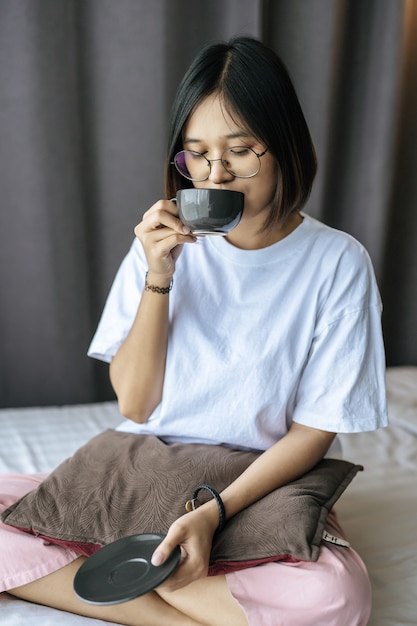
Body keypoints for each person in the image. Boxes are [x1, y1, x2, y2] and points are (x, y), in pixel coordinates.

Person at [1, 36, 387, 625]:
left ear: (283, 146)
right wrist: (160, 274)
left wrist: (213, 510)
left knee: (337, 597)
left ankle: (124, 572)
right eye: (197, 154)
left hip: (256, 480)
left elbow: (312, 433)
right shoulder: (163, 243)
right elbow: (135, 401)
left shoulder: (337, 262)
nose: (217, 174)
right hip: (142, 465)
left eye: (240, 151)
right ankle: (170, 608)